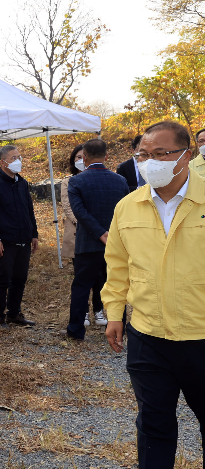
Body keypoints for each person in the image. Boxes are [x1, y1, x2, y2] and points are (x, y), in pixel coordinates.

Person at [102, 120, 205, 468]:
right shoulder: (127, 206)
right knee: (153, 423)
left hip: (201, 335)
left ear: (186, 156)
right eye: (144, 155)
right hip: (148, 336)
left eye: (161, 153)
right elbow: (117, 266)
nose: (151, 162)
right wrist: (114, 313)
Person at [62, 139, 128, 341]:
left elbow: (79, 212)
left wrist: (99, 233)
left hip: (87, 243)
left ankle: (75, 330)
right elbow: (125, 212)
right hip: (115, 243)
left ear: (85, 157)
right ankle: (120, 327)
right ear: (106, 156)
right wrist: (109, 234)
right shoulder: (120, 180)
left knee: (81, 285)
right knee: (116, 284)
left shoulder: (76, 181)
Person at [0, 145, 38, 328]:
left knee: (20, 278)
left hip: (24, 238)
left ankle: (14, 313)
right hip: (5, 241)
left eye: (19, 157)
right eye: (13, 158)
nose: (18, 161)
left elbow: (29, 210)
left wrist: (34, 234)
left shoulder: (22, 183)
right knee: (3, 279)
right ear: (2, 162)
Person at [61, 144, 106, 327]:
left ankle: (99, 309)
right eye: (77, 157)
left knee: (101, 276)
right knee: (82, 276)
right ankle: (84, 313)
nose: (80, 160)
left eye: (82, 156)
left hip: (100, 235)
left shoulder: (100, 179)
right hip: (78, 234)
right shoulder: (68, 181)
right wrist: (86, 224)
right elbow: (68, 207)